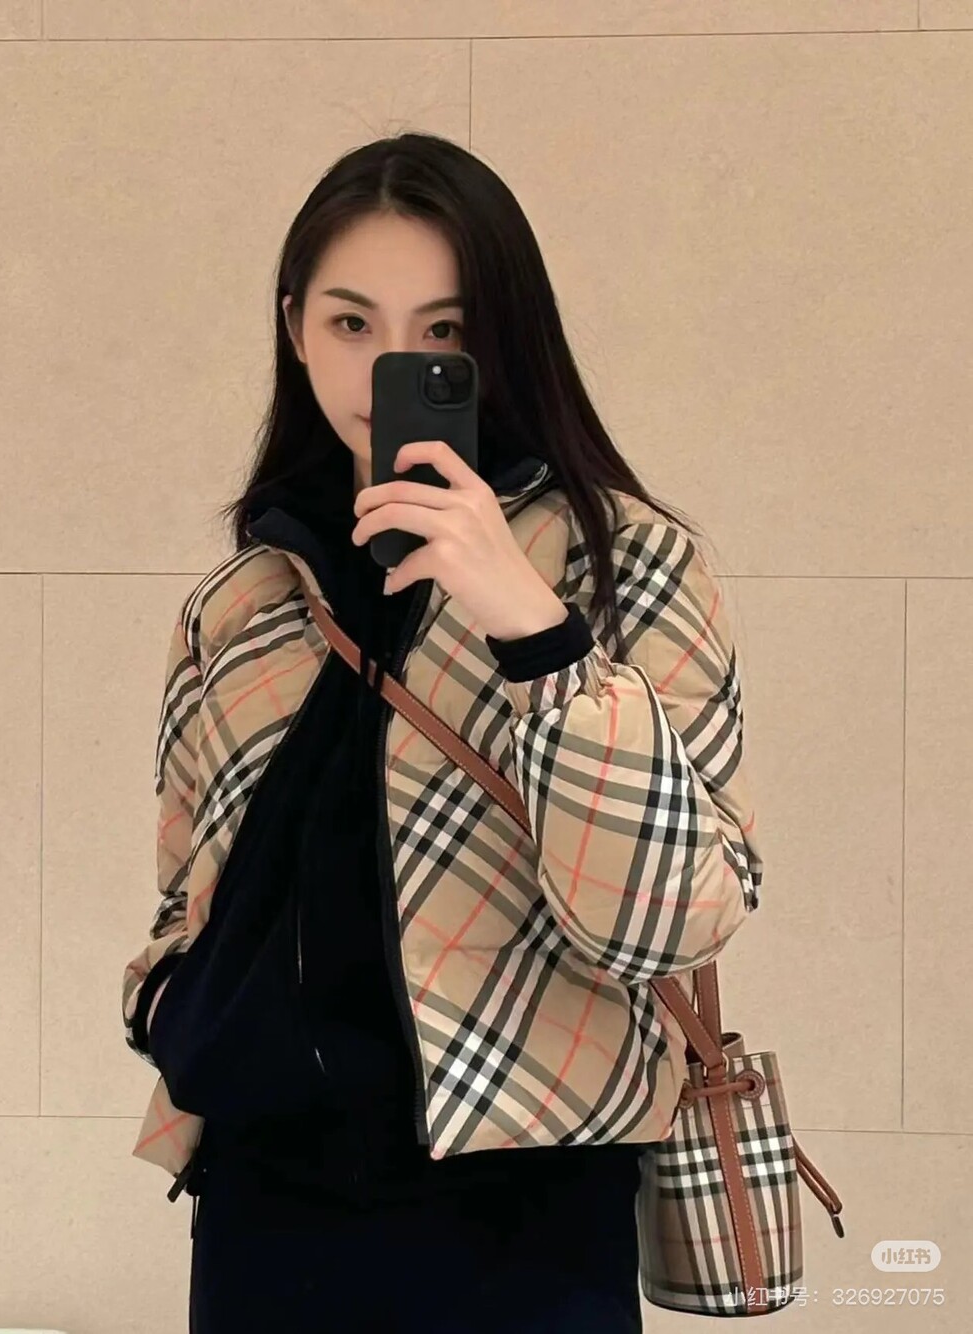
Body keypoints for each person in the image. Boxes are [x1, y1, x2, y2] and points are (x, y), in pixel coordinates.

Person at [120, 131, 763, 1333]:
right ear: (294, 326)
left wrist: (532, 626)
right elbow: (184, 884)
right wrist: (166, 1002)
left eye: (443, 330)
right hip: (264, 1200)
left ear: (501, 337)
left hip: (523, 1212)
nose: (389, 366)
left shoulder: (626, 564)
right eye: (351, 321)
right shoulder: (244, 602)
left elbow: (669, 921)